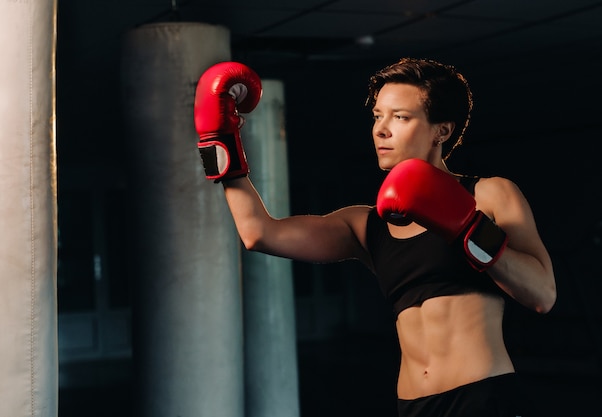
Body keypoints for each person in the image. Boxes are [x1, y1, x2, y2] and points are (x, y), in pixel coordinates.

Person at [193, 58, 557, 416]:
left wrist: (466, 227)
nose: (381, 129)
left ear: (441, 131)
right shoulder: (365, 224)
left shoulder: (490, 195)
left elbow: (542, 294)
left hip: (484, 398)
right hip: (414, 405)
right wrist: (218, 141)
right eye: (377, 116)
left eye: (400, 117)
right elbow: (259, 233)